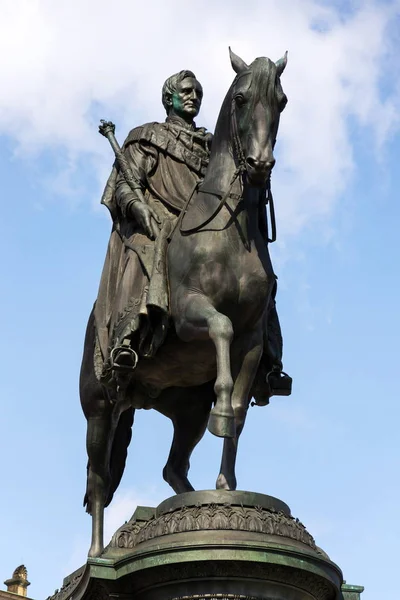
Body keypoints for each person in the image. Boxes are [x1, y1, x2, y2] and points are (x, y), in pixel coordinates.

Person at [94, 69, 290, 400]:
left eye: (197, 92)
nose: (192, 96)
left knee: (257, 272)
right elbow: (128, 184)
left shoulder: (210, 146)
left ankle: (267, 359)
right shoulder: (146, 137)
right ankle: (129, 336)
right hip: (160, 219)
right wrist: (138, 207)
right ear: (167, 97)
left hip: (205, 223)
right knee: (148, 249)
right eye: (184, 91)